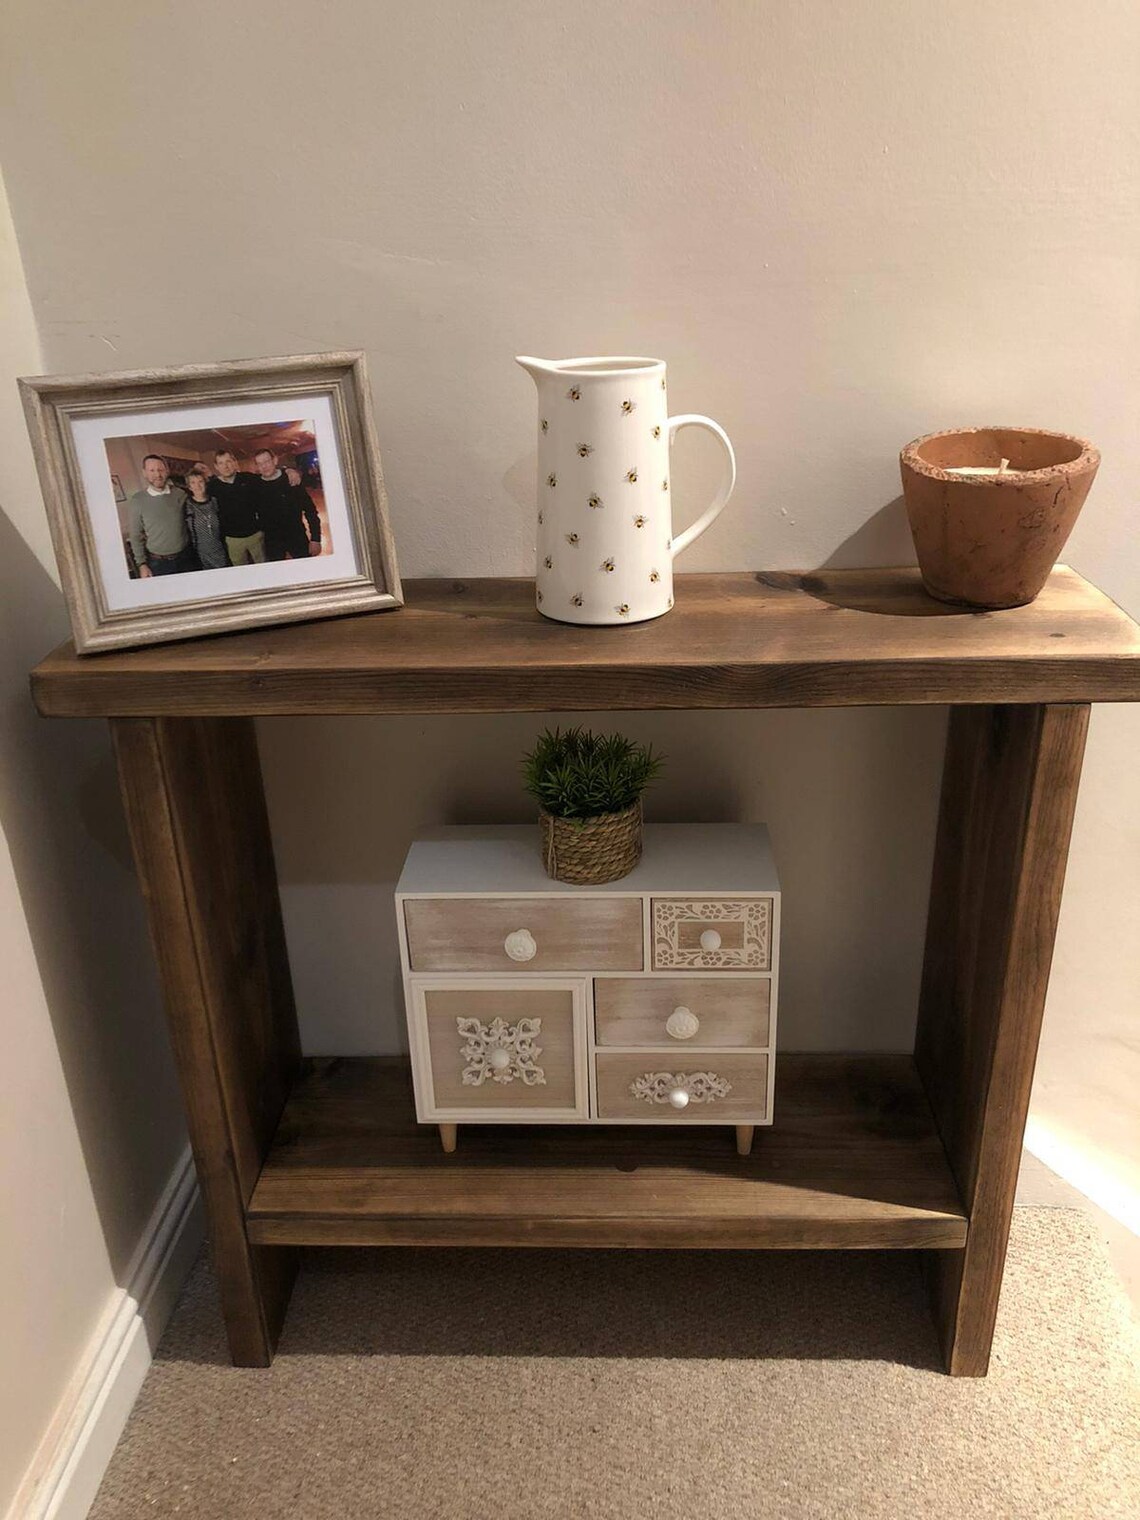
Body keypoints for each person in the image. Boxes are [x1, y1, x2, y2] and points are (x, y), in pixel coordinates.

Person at [126, 455, 196, 577]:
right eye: (152, 470)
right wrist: (142, 564)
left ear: (167, 471)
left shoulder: (180, 493)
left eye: (161, 470)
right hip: (159, 563)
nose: (157, 474)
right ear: (144, 473)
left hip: (187, 558)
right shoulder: (138, 500)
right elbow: (135, 536)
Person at [252, 448, 322, 560]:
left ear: (275, 460)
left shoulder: (291, 480)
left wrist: (316, 539)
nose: (264, 466)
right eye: (260, 464)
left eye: (267, 461)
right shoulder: (255, 485)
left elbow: (311, 511)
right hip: (272, 542)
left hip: (297, 537)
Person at [209, 449, 265, 565]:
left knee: (263, 566)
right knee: (240, 571)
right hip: (232, 539)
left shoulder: (249, 478)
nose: (226, 466)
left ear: (234, 462)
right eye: (221, 463)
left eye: (228, 461)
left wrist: (288, 471)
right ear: (216, 467)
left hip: (255, 535)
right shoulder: (212, 486)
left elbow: (269, 477)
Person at [183, 468, 229, 570]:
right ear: (189, 486)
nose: (197, 486)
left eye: (200, 481)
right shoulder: (186, 505)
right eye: (193, 483)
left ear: (205, 483)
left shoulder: (215, 501)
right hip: (200, 556)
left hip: (220, 551)